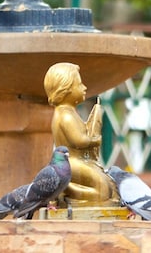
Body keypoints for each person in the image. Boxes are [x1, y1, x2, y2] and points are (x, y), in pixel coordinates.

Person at [44, 62, 118, 205]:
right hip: (72, 162)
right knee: (103, 191)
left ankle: (64, 189)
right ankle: (66, 191)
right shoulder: (66, 116)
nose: (84, 88)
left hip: (80, 161)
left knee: (109, 185)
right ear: (65, 90)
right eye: (79, 84)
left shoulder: (69, 112)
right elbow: (80, 141)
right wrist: (94, 140)